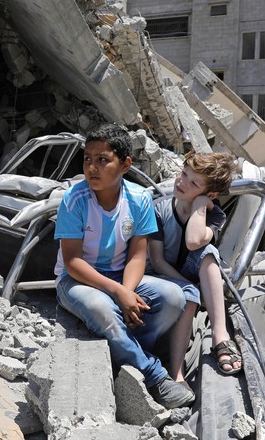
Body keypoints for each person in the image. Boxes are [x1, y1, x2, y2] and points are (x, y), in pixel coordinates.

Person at [54, 124, 191, 408]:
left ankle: (125, 354)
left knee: (174, 297)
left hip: (121, 277)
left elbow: (137, 256)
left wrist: (127, 292)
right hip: (77, 281)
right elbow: (72, 262)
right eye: (87, 159)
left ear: (125, 164)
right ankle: (154, 377)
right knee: (100, 307)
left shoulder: (139, 198)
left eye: (103, 160)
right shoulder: (75, 199)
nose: (92, 167)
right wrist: (119, 293)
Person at [146, 151, 240, 380]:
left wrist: (199, 206)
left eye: (194, 182)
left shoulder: (214, 215)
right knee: (190, 295)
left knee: (208, 253)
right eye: (183, 174)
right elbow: (157, 261)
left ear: (211, 194)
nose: (182, 182)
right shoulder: (159, 208)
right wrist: (192, 287)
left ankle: (220, 335)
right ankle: (176, 373)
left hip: (188, 273)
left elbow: (194, 240)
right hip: (160, 273)